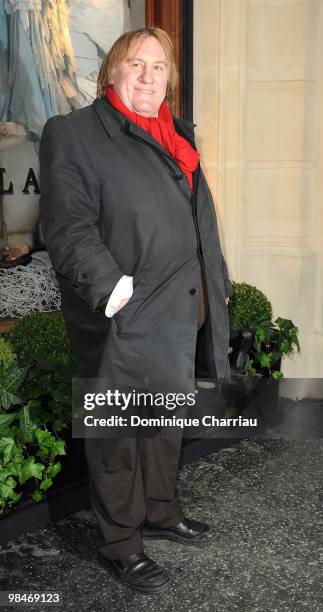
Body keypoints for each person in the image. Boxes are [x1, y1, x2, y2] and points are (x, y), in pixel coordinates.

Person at [39, 27, 232, 594]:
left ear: (170, 79)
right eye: (135, 64)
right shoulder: (73, 134)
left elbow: (199, 220)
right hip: (122, 311)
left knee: (163, 423)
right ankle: (122, 542)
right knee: (118, 433)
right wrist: (110, 289)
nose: (148, 75)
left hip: (178, 306)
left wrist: (216, 281)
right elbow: (67, 225)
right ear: (112, 74)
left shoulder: (176, 131)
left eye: (158, 66)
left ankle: (161, 511)